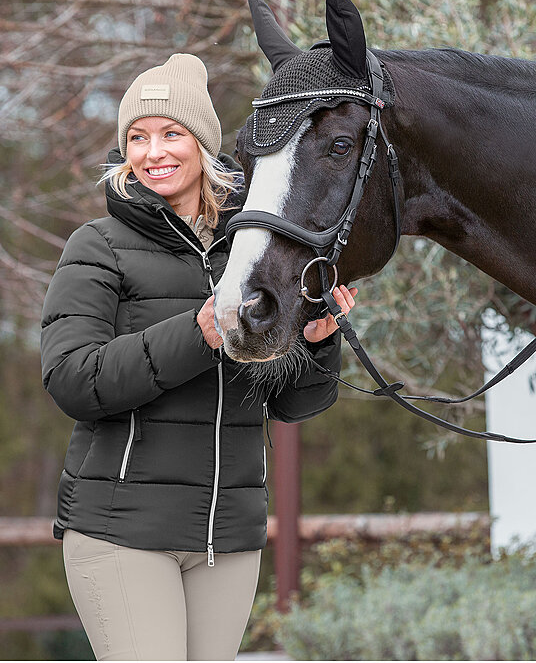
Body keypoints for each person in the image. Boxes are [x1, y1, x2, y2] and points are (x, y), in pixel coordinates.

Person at [40, 53, 357, 661]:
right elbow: (72, 380)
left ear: (203, 145)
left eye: (170, 134)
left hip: (226, 540)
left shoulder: (252, 253)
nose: (152, 151)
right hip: (122, 532)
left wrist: (318, 343)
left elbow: (295, 405)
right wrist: (199, 333)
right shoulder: (99, 246)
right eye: (137, 137)